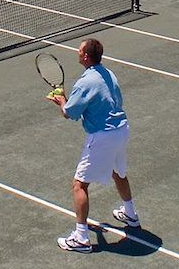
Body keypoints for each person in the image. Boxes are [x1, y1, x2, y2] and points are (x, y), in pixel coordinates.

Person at [49, 39, 138, 253]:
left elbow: (70, 113)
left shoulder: (84, 82)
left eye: (79, 51)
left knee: (79, 185)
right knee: (119, 173)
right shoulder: (109, 74)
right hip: (121, 130)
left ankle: (81, 238)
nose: (77, 53)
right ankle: (131, 214)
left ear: (86, 57)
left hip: (102, 136)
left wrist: (61, 101)